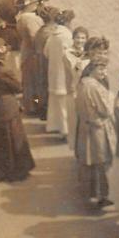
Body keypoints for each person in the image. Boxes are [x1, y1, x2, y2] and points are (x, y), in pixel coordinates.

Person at [0, 38, 35, 182]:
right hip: (7, 106)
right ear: (2, 54)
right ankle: (16, 171)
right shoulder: (5, 71)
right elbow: (18, 87)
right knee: (14, 138)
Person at [75, 55, 116, 208]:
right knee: (101, 162)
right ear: (92, 68)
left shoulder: (82, 83)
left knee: (90, 162)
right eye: (101, 68)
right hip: (97, 129)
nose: (104, 72)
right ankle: (101, 196)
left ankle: (91, 194)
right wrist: (111, 97)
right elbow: (106, 110)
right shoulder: (95, 87)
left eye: (105, 68)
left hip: (86, 128)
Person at [45, 9, 75, 140]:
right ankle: (66, 131)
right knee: (65, 104)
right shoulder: (68, 36)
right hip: (64, 74)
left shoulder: (52, 36)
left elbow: (45, 52)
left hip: (53, 73)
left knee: (56, 103)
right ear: (68, 22)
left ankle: (57, 127)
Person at [64, 26, 89, 148]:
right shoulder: (67, 53)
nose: (80, 40)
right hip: (73, 90)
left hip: (85, 90)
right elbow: (73, 72)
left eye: (83, 38)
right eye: (78, 37)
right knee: (74, 121)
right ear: (73, 38)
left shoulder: (87, 53)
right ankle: (76, 148)